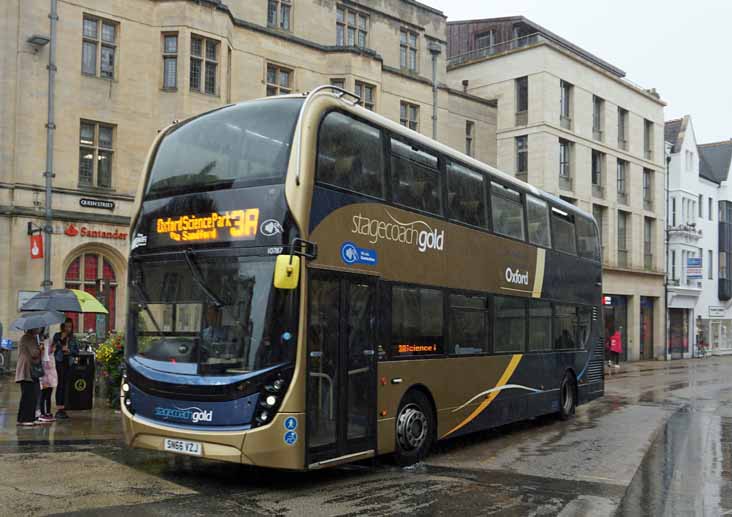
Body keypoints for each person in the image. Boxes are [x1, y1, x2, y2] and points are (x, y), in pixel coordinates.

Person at [15, 327, 42, 426]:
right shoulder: (29, 338)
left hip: (28, 370)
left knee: (31, 395)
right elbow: (34, 353)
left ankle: (27, 417)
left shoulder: (28, 338)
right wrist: (40, 348)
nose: (40, 329)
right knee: (29, 395)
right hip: (27, 370)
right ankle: (25, 419)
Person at [53, 318, 79, 419]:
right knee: (60, 384)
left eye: (70, 326)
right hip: (59, 361)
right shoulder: (57, 335)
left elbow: (76, 351)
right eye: (66, 326)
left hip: (69, 362)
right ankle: (59, 408)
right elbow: (54, 348)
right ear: (63, 326)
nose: (68, 328)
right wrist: (61, 340)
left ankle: (64, 406)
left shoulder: (73, 338)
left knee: (66, 384)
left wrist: (70, 351)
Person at [39, 329, 57, 423]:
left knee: (49, 395)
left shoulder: (51, 355)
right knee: (43, 395)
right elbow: (45, 364)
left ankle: (48, 412)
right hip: (45, 375)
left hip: (51, 376)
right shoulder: (43, 352)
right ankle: (42, 413)